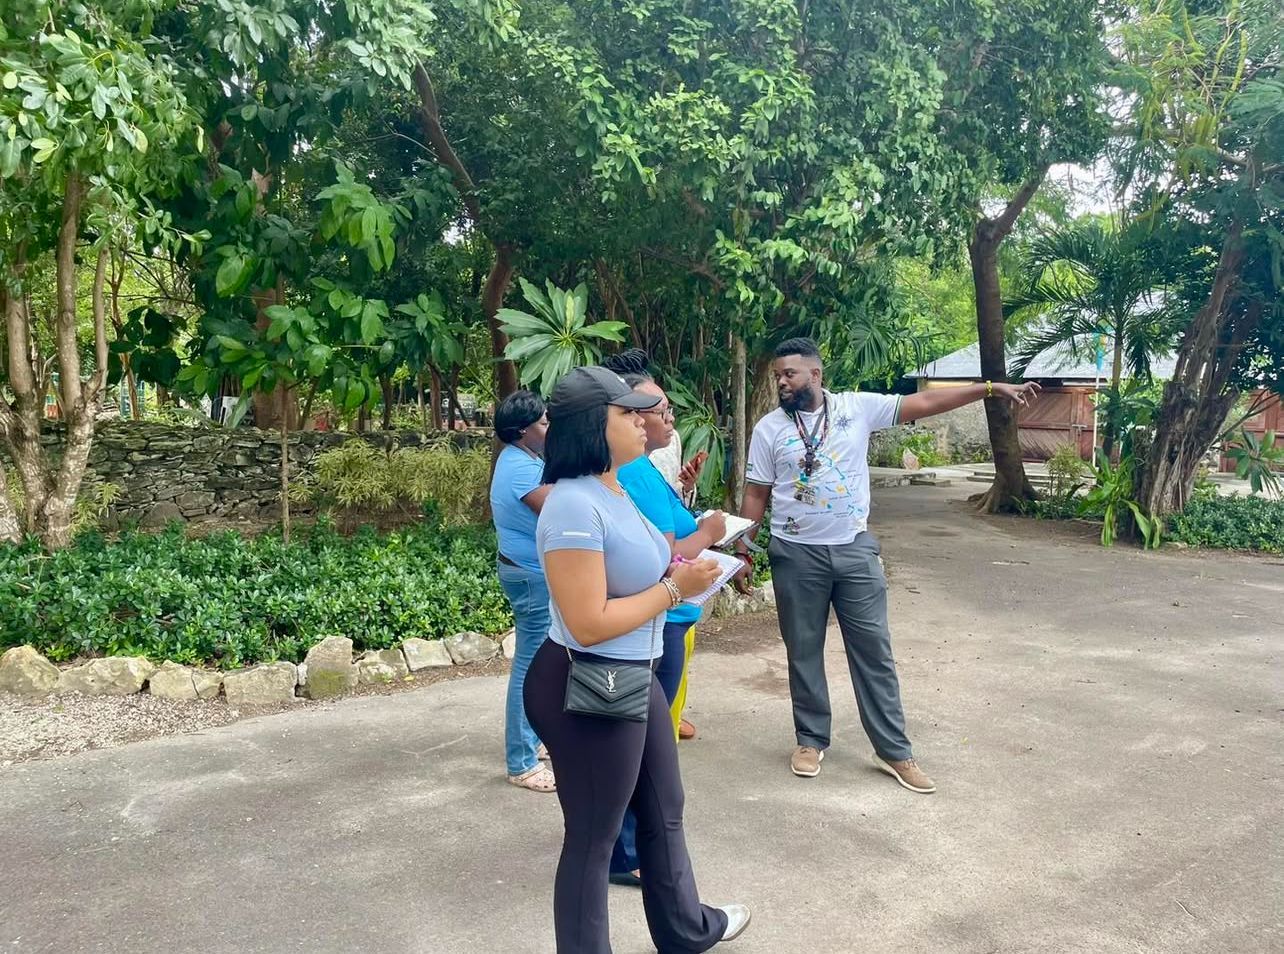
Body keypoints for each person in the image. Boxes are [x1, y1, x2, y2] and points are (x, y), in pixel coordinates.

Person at [735, 337, 1040, 792]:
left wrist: (988, 389)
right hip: (795, 554)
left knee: (874, 652)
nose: (781, 381)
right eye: (778, 374)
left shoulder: (857, 408)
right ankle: (811, 740)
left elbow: (926, 400)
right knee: (802, 651)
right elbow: (757, 493)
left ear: (815, 375)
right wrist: (742, 549)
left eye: (789, 374)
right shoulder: (769, 429)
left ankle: (894, 750)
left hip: (854, 550)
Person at [524, 365, 751, 953]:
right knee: (594, 840)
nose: (643, 420)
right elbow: (588, 623)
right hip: (588, 682)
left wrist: (690, 570)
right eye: (627, 413)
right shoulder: (574, 504)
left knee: (663, 805)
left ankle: (685, 930)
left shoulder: (618, 486)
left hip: (634, 672)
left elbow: (640, 570)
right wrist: (676, 590)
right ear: (592, 429)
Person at [602, 351, 728, 888]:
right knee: (639, 745)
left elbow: (669, 526)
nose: (667, 417)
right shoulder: (623, 473)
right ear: (626, 413)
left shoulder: (646, 471)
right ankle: (625, 851)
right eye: (655, 409)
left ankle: (632, 841)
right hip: (661, 618)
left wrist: (688, 494)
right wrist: (715, 531)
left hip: (672, 616)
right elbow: (667, 548)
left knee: (649, 741)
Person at [490, 390, 555, 793]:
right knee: (530, 667)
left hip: (531, 571)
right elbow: (559, 507)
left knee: (542, 663)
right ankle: (521, 761)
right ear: (521, 431)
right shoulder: (518, 468)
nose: (551, 428)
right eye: (545, 423)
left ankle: (533, 740)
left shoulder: (527, 460)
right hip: (530, 576)